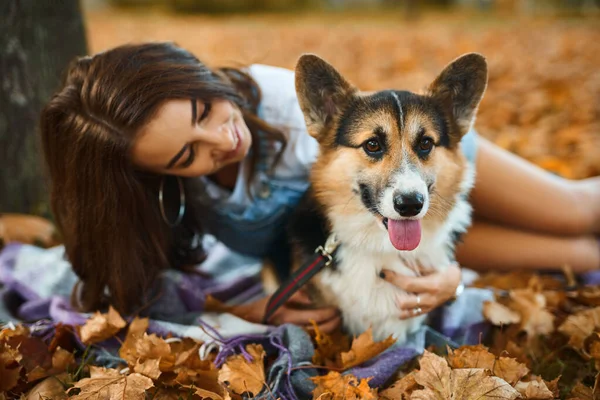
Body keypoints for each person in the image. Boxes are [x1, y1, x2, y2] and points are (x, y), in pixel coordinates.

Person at [39, 42, 600, 330]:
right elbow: (139, 286)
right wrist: (250, 307)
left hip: (423, 177)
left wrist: (452, 273)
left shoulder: (286, 104)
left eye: (203, 107)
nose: (224, 138)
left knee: (575, 210)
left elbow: (392, 144)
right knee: (573, 254)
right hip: (388, 235)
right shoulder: (173, 204)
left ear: (196, 75)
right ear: (157, 177)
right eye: (190, 154)